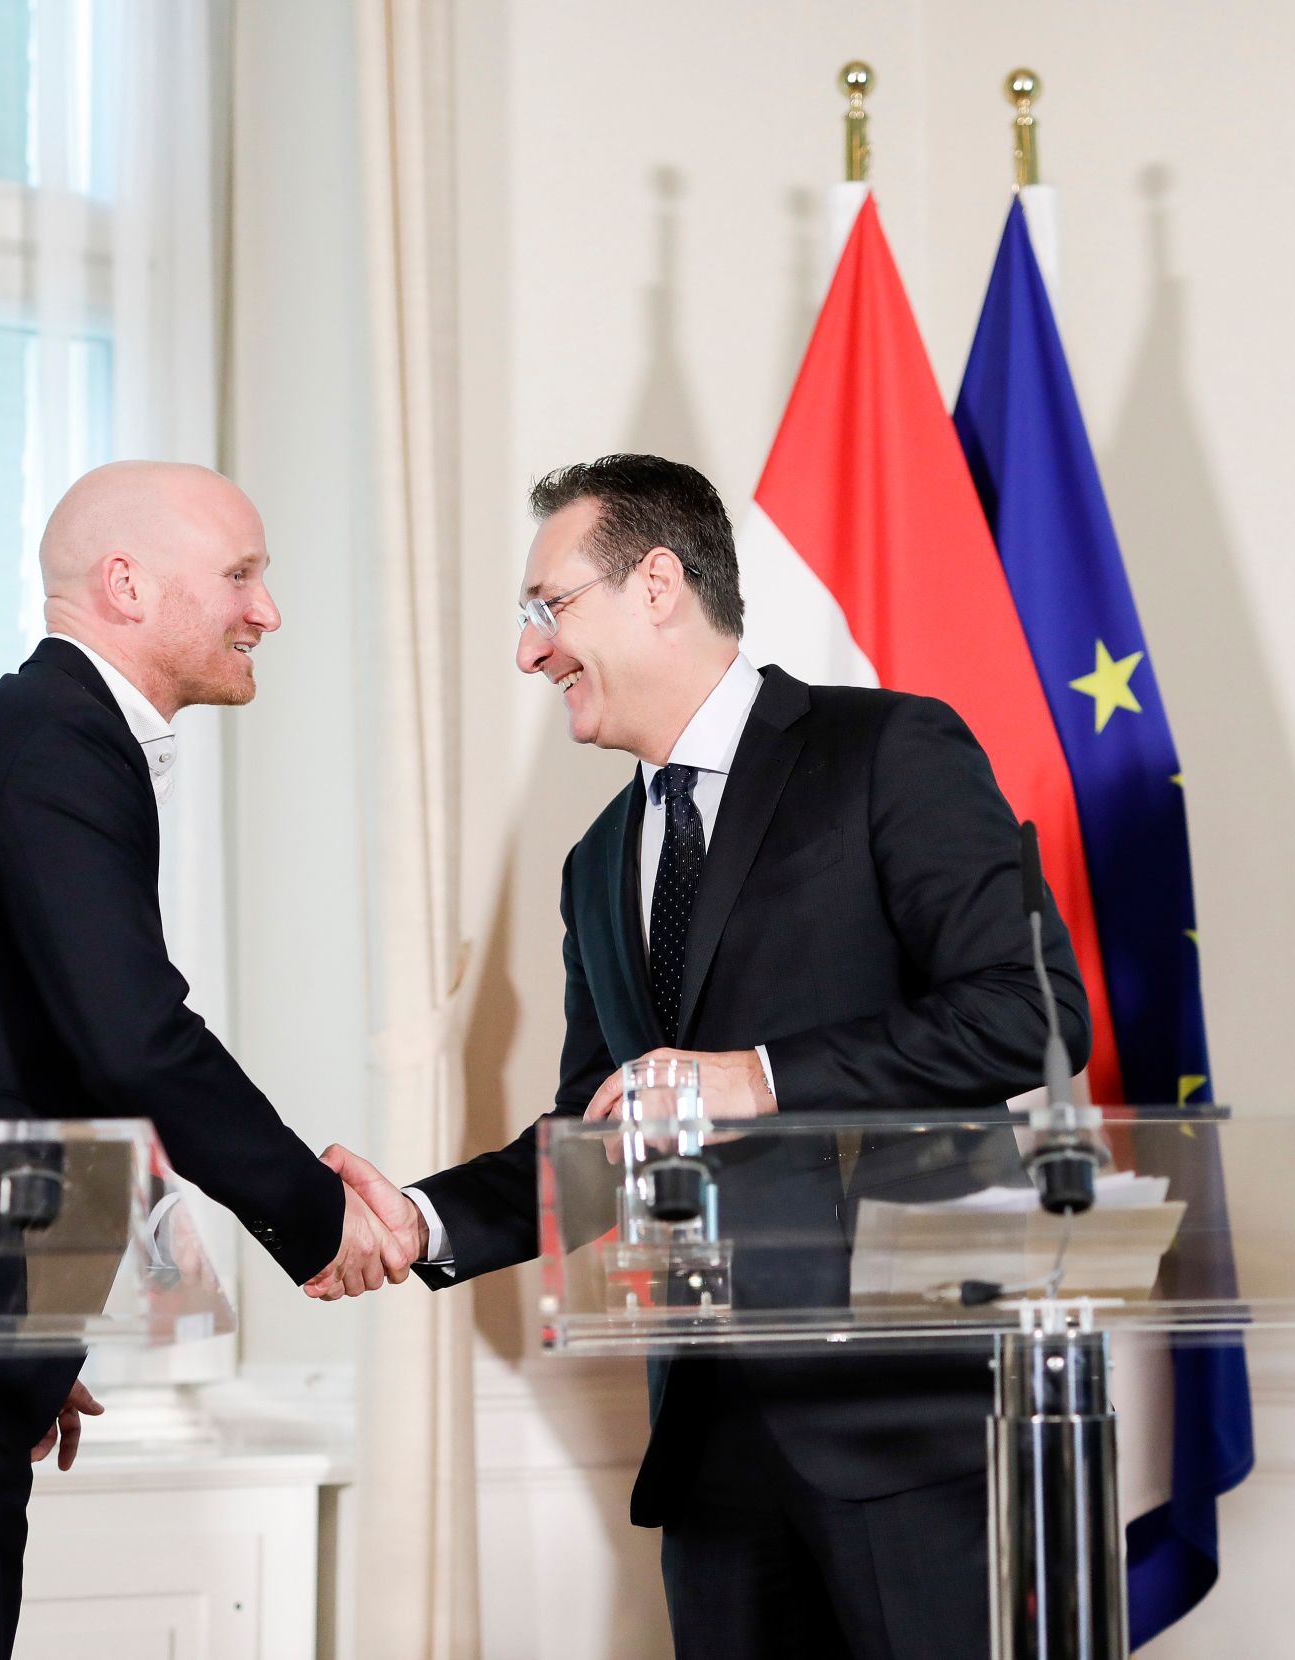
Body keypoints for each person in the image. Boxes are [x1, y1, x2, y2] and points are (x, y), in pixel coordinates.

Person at [317, 454, 1091, 1660]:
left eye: (546, 608)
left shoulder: (883, 748)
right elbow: (594, 1133)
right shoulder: (594, 860)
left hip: (899, 1428)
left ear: (657, 582)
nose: (529, 652)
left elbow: (1027, 1009)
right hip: (707, 1448)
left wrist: (761, 1075)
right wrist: (422, 1219)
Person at [0, 461, 408, 1660]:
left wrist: (30, 1324)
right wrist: (316, 1216)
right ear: (126, 584)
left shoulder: (41, 733)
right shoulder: (53, 738)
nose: (268, 610)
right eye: (242, 575)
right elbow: (133, 1038)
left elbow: (18, 1056)